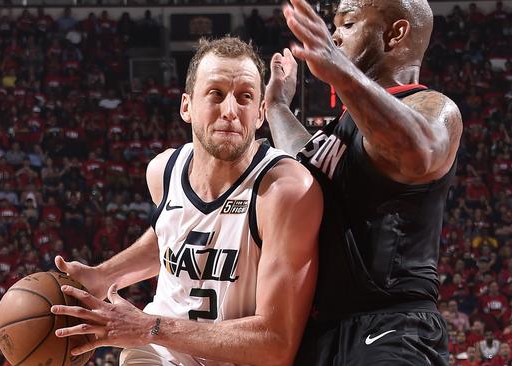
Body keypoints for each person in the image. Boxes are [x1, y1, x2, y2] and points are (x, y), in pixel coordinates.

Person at [51, 36, 323, 366]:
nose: (230, 111)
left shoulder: (284, 190)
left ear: (261, 113)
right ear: (186, 106)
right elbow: (174, 235)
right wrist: (104, 275)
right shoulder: (163, 170)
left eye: (245, 97)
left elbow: (275, 344)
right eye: (216, 94)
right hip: (160, 353)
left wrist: (147, 327)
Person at [264, 0, 462, 364]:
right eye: (333, 26)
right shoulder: (348, 125)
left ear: (394, 33)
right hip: (322, 332)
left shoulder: (433, 107)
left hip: (392, 329)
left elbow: (421, 151)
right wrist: (276, 106)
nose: (334, 35)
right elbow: (306, 158)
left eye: (349, 23)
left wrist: (339, 72)